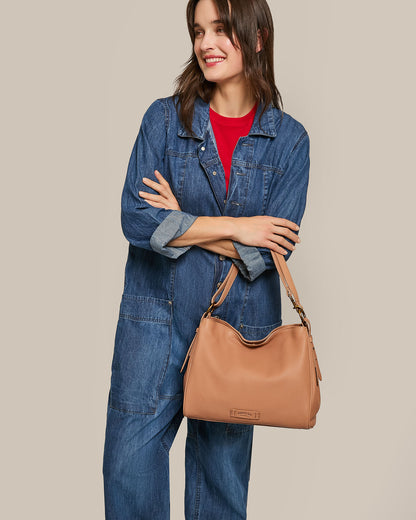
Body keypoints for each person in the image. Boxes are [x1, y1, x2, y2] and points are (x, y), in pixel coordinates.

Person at [102, 0, 310, 518]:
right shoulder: (163, 122)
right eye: (199, 30)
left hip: (239, 329)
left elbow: (265, 256)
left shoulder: (289, 142)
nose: (206, 43)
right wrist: (238, 227)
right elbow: (136, 219)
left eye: (221, 29)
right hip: (154, 325)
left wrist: (183, 224)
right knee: (129, 475)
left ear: (257, 37)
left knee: (219, 489)